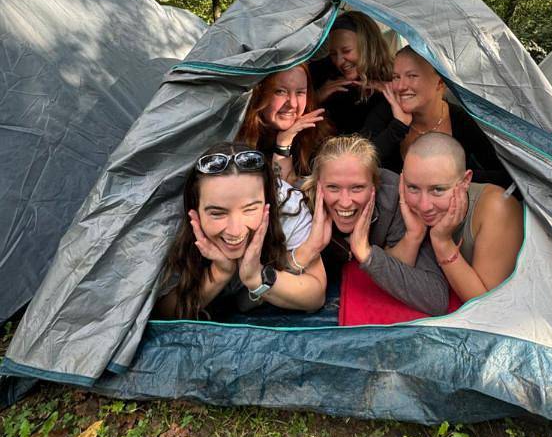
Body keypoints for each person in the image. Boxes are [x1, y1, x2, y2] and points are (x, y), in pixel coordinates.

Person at [155, 142, 327, 320]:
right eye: (217, 213)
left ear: (268, 201)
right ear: (195, 209)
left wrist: (256, 277)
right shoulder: (170, 225)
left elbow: (315, 295)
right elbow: (162, 313)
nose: (235, 230)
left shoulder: (287, 208)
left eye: (250, 209)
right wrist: (220, 272)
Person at [293, 134, 449, 316]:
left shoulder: (394, 198)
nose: (345, 202)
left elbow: (435, 298)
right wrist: (310, 246)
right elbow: (268, 277)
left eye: (357, 188)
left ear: (374, 185)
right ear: (318, 185)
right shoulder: (298, 203)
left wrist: (366, 253)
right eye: (333, 187)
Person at [400, 132, 523, 304]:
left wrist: (442, 242)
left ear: (465, 181)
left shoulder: (497, 208)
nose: (424, 205)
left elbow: (486, 305)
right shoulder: (407, 203)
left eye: (438, 189)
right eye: (413, 187)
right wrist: (414, 235)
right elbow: (398, 272)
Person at [392, 46, 511, 186]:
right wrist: (396, 129)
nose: (400, 87)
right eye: (396, 77)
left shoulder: (462, 121)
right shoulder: (387, 116)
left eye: (412, 76)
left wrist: (454, 177)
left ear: (440, 82)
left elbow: (505, 176)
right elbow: (366, 167)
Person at [310, 11, 410, 169]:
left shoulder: (395, 82)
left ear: (368, 46)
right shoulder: (325, 78)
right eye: (333, 54)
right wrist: (316, 98)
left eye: (346, 51)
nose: (339, 61)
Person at [237, 64, 330, 183]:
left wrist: (283, 144)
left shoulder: (318, 138)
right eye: (280, 92)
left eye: (300, 92)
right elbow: (277, 196)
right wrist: (283, 145)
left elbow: (290, 196)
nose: (293, 104)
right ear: (260, 93)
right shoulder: (239, 139)